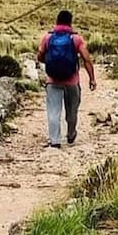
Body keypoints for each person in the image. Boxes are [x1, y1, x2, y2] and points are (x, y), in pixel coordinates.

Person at [37, 9, 96, 148]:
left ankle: (55, 141)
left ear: (57, 21)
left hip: (52, 81)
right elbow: (86, 59)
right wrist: (92, 78)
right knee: (72, 111)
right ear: (70, 22)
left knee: (53, 111)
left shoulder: (47, 38)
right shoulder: (76, 39)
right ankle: (70, 134)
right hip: (72, 81)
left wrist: (50, 62)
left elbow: (39, 55)